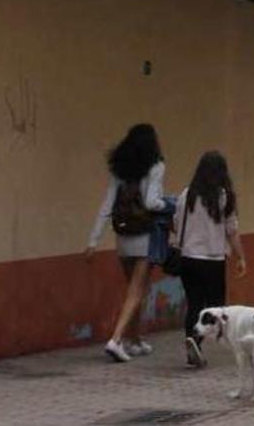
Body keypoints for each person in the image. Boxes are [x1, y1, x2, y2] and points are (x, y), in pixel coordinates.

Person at [85, 123, 171, 363]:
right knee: (136, 291)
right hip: (145, 235)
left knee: (134, 291)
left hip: (123, 236)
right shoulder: (156, 166)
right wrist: (170, 205)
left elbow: (107, 204)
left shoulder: (119, 169)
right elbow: (152, 202)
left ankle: (136, 340)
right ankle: (116, 339)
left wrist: (93, 239)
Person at [173, 151, 248, 369]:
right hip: (213, 260)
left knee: (194, 303)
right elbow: (232, 230)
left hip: (188, 258)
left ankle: (192, 341)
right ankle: (199, 341)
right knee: (216, 306)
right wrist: (241, 257)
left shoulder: (186, 194)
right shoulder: (224, 197)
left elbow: (176, 223)